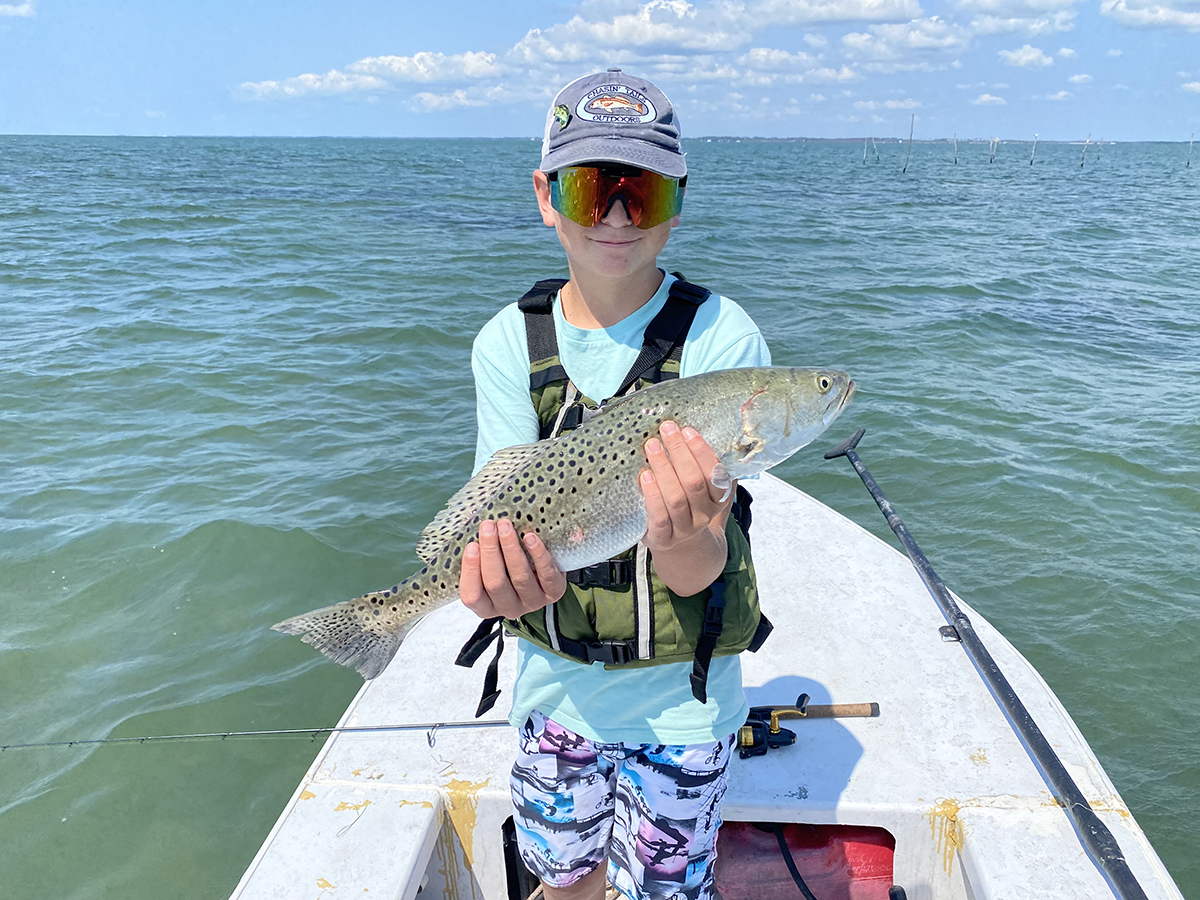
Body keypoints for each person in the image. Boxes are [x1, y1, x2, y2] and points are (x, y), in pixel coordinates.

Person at [459, 68, 772, 900]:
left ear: (676, 198)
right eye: (595, 187)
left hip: (685, 713)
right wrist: (488, 584)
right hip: (554, 700)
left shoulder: (723, 337)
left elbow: (698, 573)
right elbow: (496, 501)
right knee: (561, 885)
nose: (619, 216)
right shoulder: (506, 344)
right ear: (546, 194)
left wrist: (680, 533)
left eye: (643, 191)